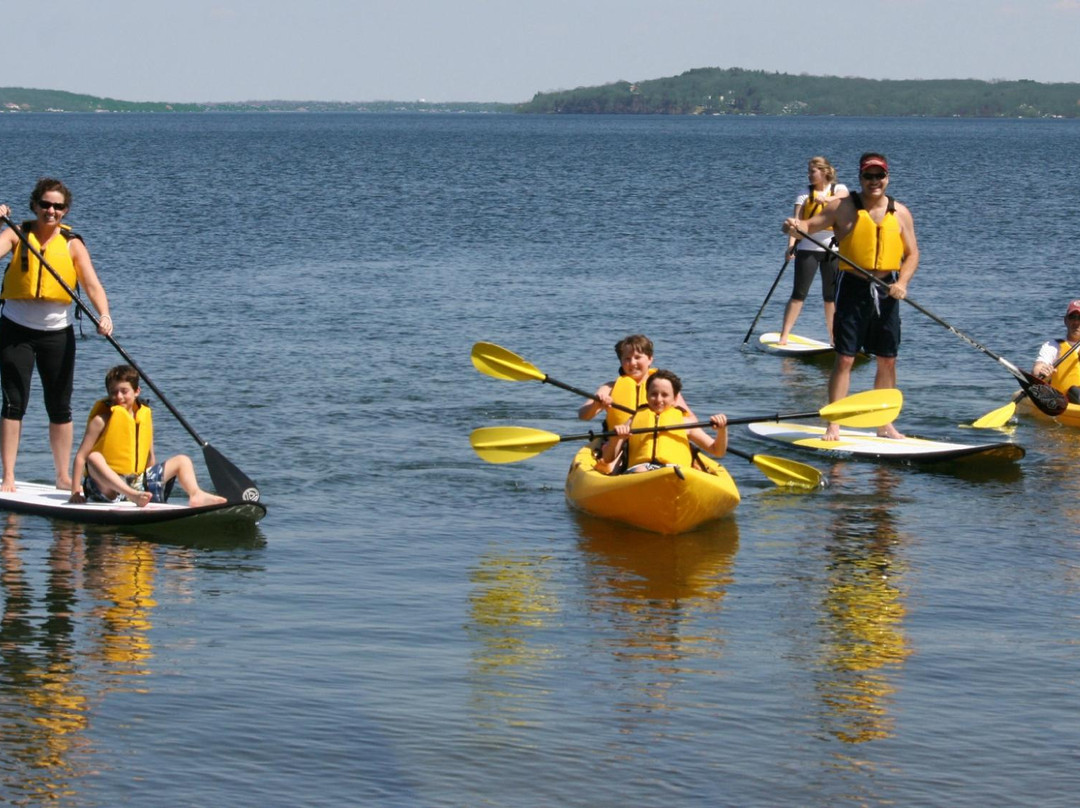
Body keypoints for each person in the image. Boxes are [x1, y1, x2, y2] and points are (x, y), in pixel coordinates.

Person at [783, 153, 920, 441]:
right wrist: (794, 226)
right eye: (868, 176)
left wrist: (903, 282)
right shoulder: (843, 207)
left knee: (887, 360)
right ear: (860, 178)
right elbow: (811, 225)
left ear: (887, 178)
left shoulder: (901, 213)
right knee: (845, 358)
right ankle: (834, 422)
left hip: (887, 290)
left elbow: (912, 255)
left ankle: (884, 424)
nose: (874, 182)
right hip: (853, 288)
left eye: (879, 176)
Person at [0, 179, 113, 492]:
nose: (51, 211)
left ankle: (63, 476)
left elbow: (91, 285)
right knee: (13, 404)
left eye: (58, 206)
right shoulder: (15, 232)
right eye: (45, 204)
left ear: (66, 210)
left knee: (60, 406)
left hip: (57, 335)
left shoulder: (72, 243)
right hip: (15, 332)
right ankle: (8, 475)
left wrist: (104, 315)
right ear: (35, 205)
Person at [69, 364, 226, 508]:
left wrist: (149, 486)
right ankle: (133, 496)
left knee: (182, 461)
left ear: (137, 391)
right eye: (113, 392)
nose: (119, 396)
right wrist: (76, 491)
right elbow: (81, 457)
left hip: (136, 483)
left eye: (124, 391)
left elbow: (150, 456)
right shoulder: (100, 420)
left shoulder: (143, 417)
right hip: (106, 487)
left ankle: (195, 494)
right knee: (93, 457)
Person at [779, 156, 849, 345]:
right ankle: (784, 336)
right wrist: (790, 247)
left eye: (813, 171)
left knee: (831, 297)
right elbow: (796, 224)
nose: (809, 175)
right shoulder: (803, 194)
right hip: (807, 249)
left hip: (833, 251)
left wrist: (827, 199)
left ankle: (834, 339)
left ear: (824, 172)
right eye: (808, 172)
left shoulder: (839, 189)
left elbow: (845, 198)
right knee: (798, 294)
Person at [601, 369, 727, 473]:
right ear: (647, 395)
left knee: (674, 472)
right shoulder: (634, 421)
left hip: (675, 471)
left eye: (665, 395)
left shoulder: (685, 423)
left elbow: (718, 451)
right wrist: (616, 439)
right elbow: (608, 458)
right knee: (640, 470)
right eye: (653, 394)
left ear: (675, 398)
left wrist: (722, 430)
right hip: (640, 471)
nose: (658, 399)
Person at [578, 334, 691, 426]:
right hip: (619, 442)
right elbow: (583, 415)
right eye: (627, 358)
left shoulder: (663, 387)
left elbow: (691, 420)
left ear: (650, 359)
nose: (632, 363)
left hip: (651, 440)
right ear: (621, 362)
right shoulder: (609, 387)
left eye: (637, 357)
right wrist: (597, 404)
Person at [1032, 299, 1080, 404]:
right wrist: (1042, 372)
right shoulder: (1052, 346)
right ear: (1065, 320)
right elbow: (1037, 369)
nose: (1076, 322)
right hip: (1061, 401)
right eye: (1073, 317)